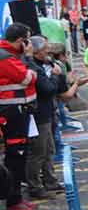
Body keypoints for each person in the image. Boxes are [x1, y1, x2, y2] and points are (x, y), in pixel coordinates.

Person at [22, 36, 68, 200]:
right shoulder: (32, 66)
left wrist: (58, 75)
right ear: (35, 51)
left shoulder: (45, 64)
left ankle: (50, 180)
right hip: (39, 115)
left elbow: (59, 88)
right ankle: (34, 186)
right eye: (44, 50)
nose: (48, 52)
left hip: (48, 112)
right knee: (38, 152)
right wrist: (55, 77)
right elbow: (47, 88)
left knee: (49, 150)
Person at [0, 23, 36, 210]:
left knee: (19, 157)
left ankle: (17, 199)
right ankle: (14, 202)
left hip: (16, 113)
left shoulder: (10, 56)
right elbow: (28, 78)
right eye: (27, 40)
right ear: (21, 41)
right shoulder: (5, 58)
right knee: (16, 157)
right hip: (11, 115)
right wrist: (28, 60)